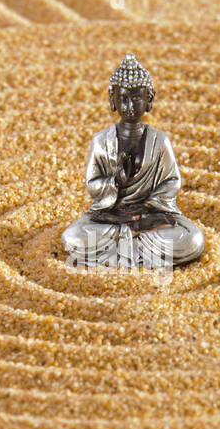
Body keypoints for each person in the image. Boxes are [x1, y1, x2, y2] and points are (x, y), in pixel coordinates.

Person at [61, 54, 205, 269]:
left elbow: (171, 181)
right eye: (123, 98)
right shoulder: (101, 141)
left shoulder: (159, 140)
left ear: (150, 99)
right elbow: (92, 185)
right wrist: (115, 182)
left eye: (137, 98)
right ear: (112, 100)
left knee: (192, 239)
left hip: (151, 217)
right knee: (73, 237)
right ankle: (138, 251)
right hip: (112, 216)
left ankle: (122, 251)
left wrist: (148, 209)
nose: (129, 106)